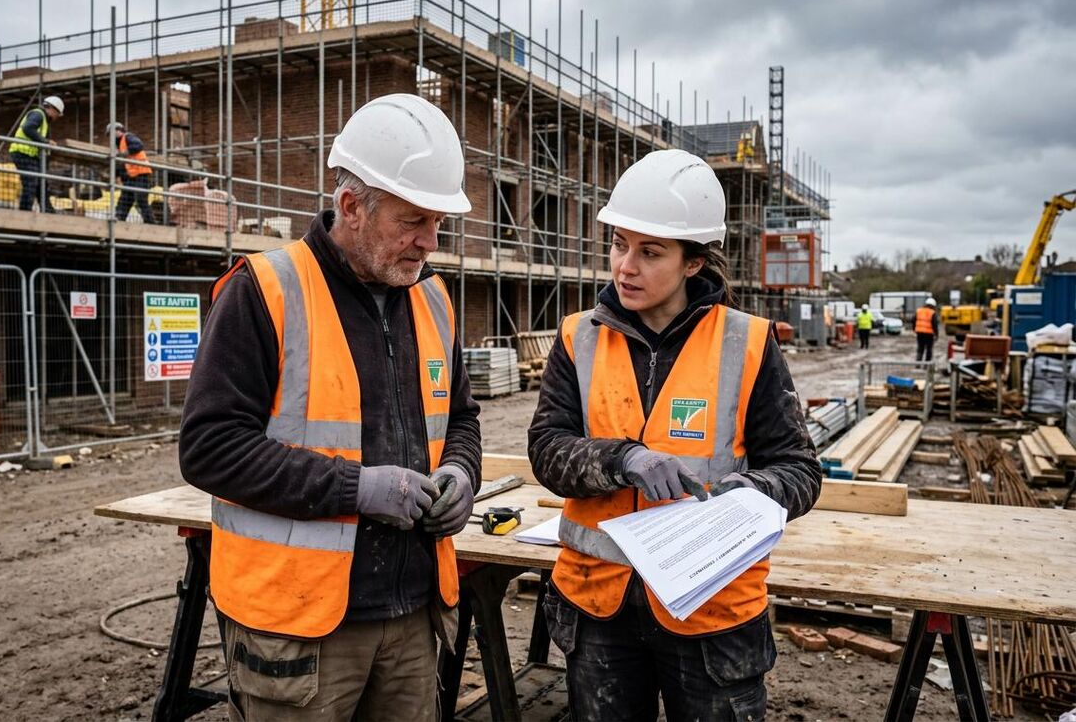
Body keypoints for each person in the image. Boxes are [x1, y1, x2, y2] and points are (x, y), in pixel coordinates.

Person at [179, 93, 481, 721]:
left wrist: (460, 472)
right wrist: (356, 488)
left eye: (437, 224)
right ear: (351, 207)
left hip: (410, 612)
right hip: (299, 627)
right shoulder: (262, 292)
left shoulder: (432, 301)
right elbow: (210, 447)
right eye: (413, 221)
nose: (429, 242)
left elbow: (461, 419)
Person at [528, 149, 821, 721]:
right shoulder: (577, 339)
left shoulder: (748, 344)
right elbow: (546, 450)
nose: (625, 267)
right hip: (599, 608)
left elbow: (799, 470)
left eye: (650, 252)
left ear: (693, 263)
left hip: (712, 614)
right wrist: (622, 459)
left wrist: (752, 495)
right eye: (618, 245)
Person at [9, 95, 63, 212]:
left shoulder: (43, 120)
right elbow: (27, 128)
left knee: (41, 183)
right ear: (53, 109)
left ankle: (48, 210)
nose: (56, 118)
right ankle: (24, 213)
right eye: (57, 114)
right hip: (22, 152)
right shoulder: (38, 114)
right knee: (31, 183)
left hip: (30, 155)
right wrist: (46, 142)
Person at [107, 122, 157, 224]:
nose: (110, 137)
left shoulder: (128, 137)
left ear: (118, 130)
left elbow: (138, 145)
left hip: (141, 174)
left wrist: (123, 154)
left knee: (141, 199)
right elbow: (123, 163)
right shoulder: (120, 144)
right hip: (131, 176)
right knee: (125, 200)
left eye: (111, 134)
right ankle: (119, 221)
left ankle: (150, 223)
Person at [915, 297, 939, 361]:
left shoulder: (919, 311)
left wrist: (915, 329)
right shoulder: (932, 313)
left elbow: (913, 320)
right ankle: (927, 365)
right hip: (929, 334)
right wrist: (936, 334)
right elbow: (935, 324)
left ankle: (918, 363)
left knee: (920, 348)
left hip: (919, 333)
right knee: (929, 349)